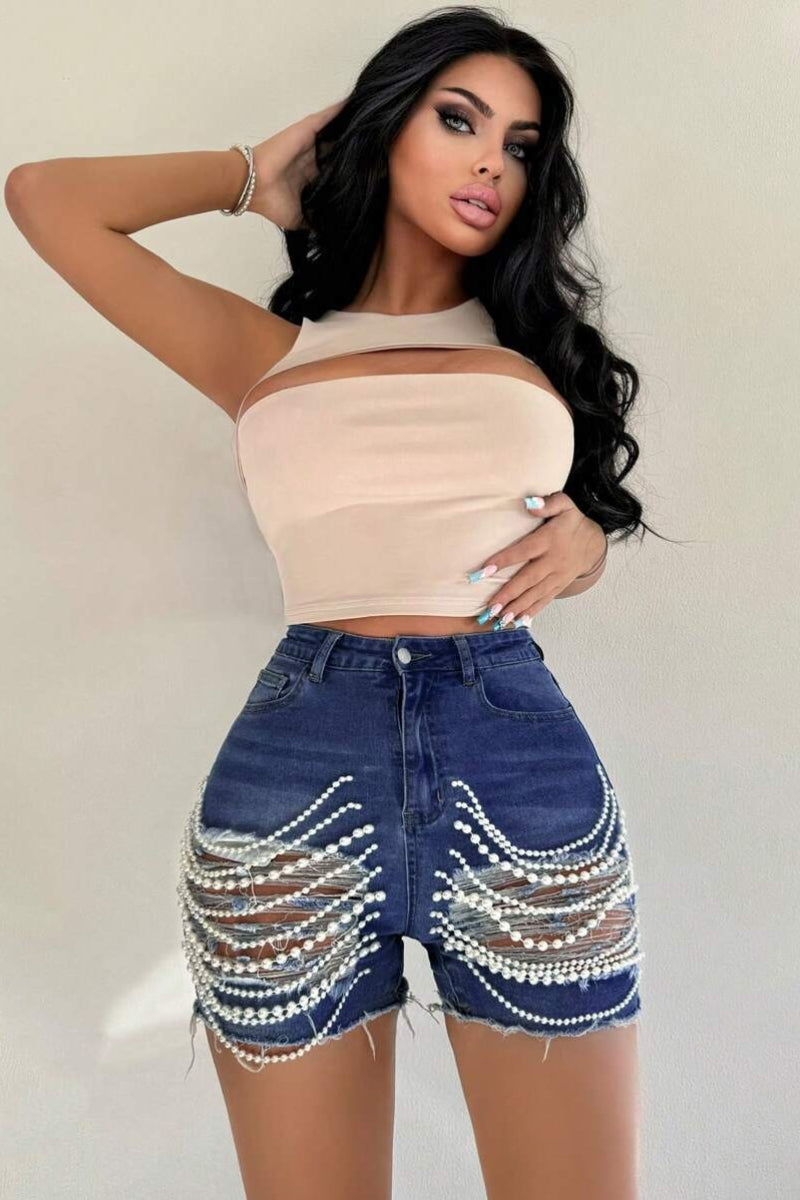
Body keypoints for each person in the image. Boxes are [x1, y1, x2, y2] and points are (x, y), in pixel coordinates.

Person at [6, 7, 659, 1197]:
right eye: (457, 121)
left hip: (518, 773)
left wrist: (590, 546)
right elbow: (44, 195)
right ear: (382, 128)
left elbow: (554, 527)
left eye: (518, 147)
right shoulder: (263, 354)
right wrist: (249, 174)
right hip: (292, 779)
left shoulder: (535, 354)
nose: (489, 164)